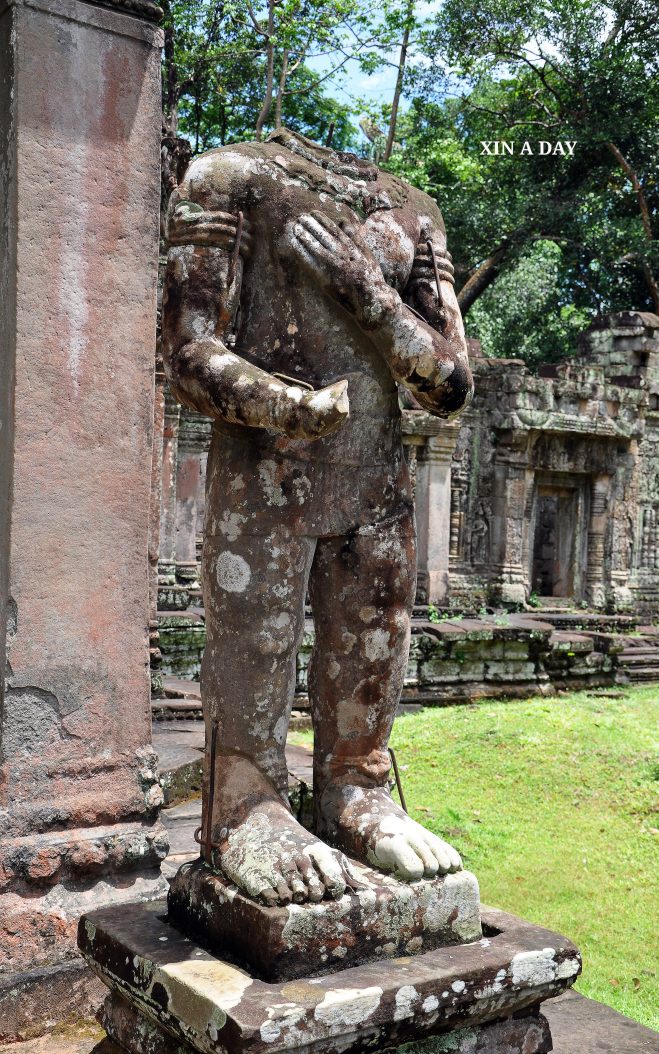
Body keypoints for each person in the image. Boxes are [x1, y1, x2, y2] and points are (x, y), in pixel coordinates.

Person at [162, 129, 473, 907]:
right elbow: (189, 353)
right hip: (266, 478)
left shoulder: (413, 212)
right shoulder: (229, 176)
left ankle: (357, 793)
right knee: (255, 645)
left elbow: (449, 382)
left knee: (371, 668)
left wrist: (367, 292)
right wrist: (285, 405)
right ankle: (247, 806)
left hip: (378, 483)